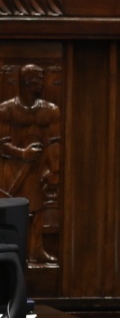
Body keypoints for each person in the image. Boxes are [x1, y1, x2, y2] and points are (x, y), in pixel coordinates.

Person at [0, 64, 60, 264]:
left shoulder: (51, 110)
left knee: (38, 210)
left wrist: (54, 169)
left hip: (38, 168)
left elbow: (55, 142)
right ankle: (10, 252)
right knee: (11, 212)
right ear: (27, 82)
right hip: (11, 170)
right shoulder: (6, 110)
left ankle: (36, 251)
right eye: (38, 80)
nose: (42, 84)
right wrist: (22, 153)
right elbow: (1, 144)